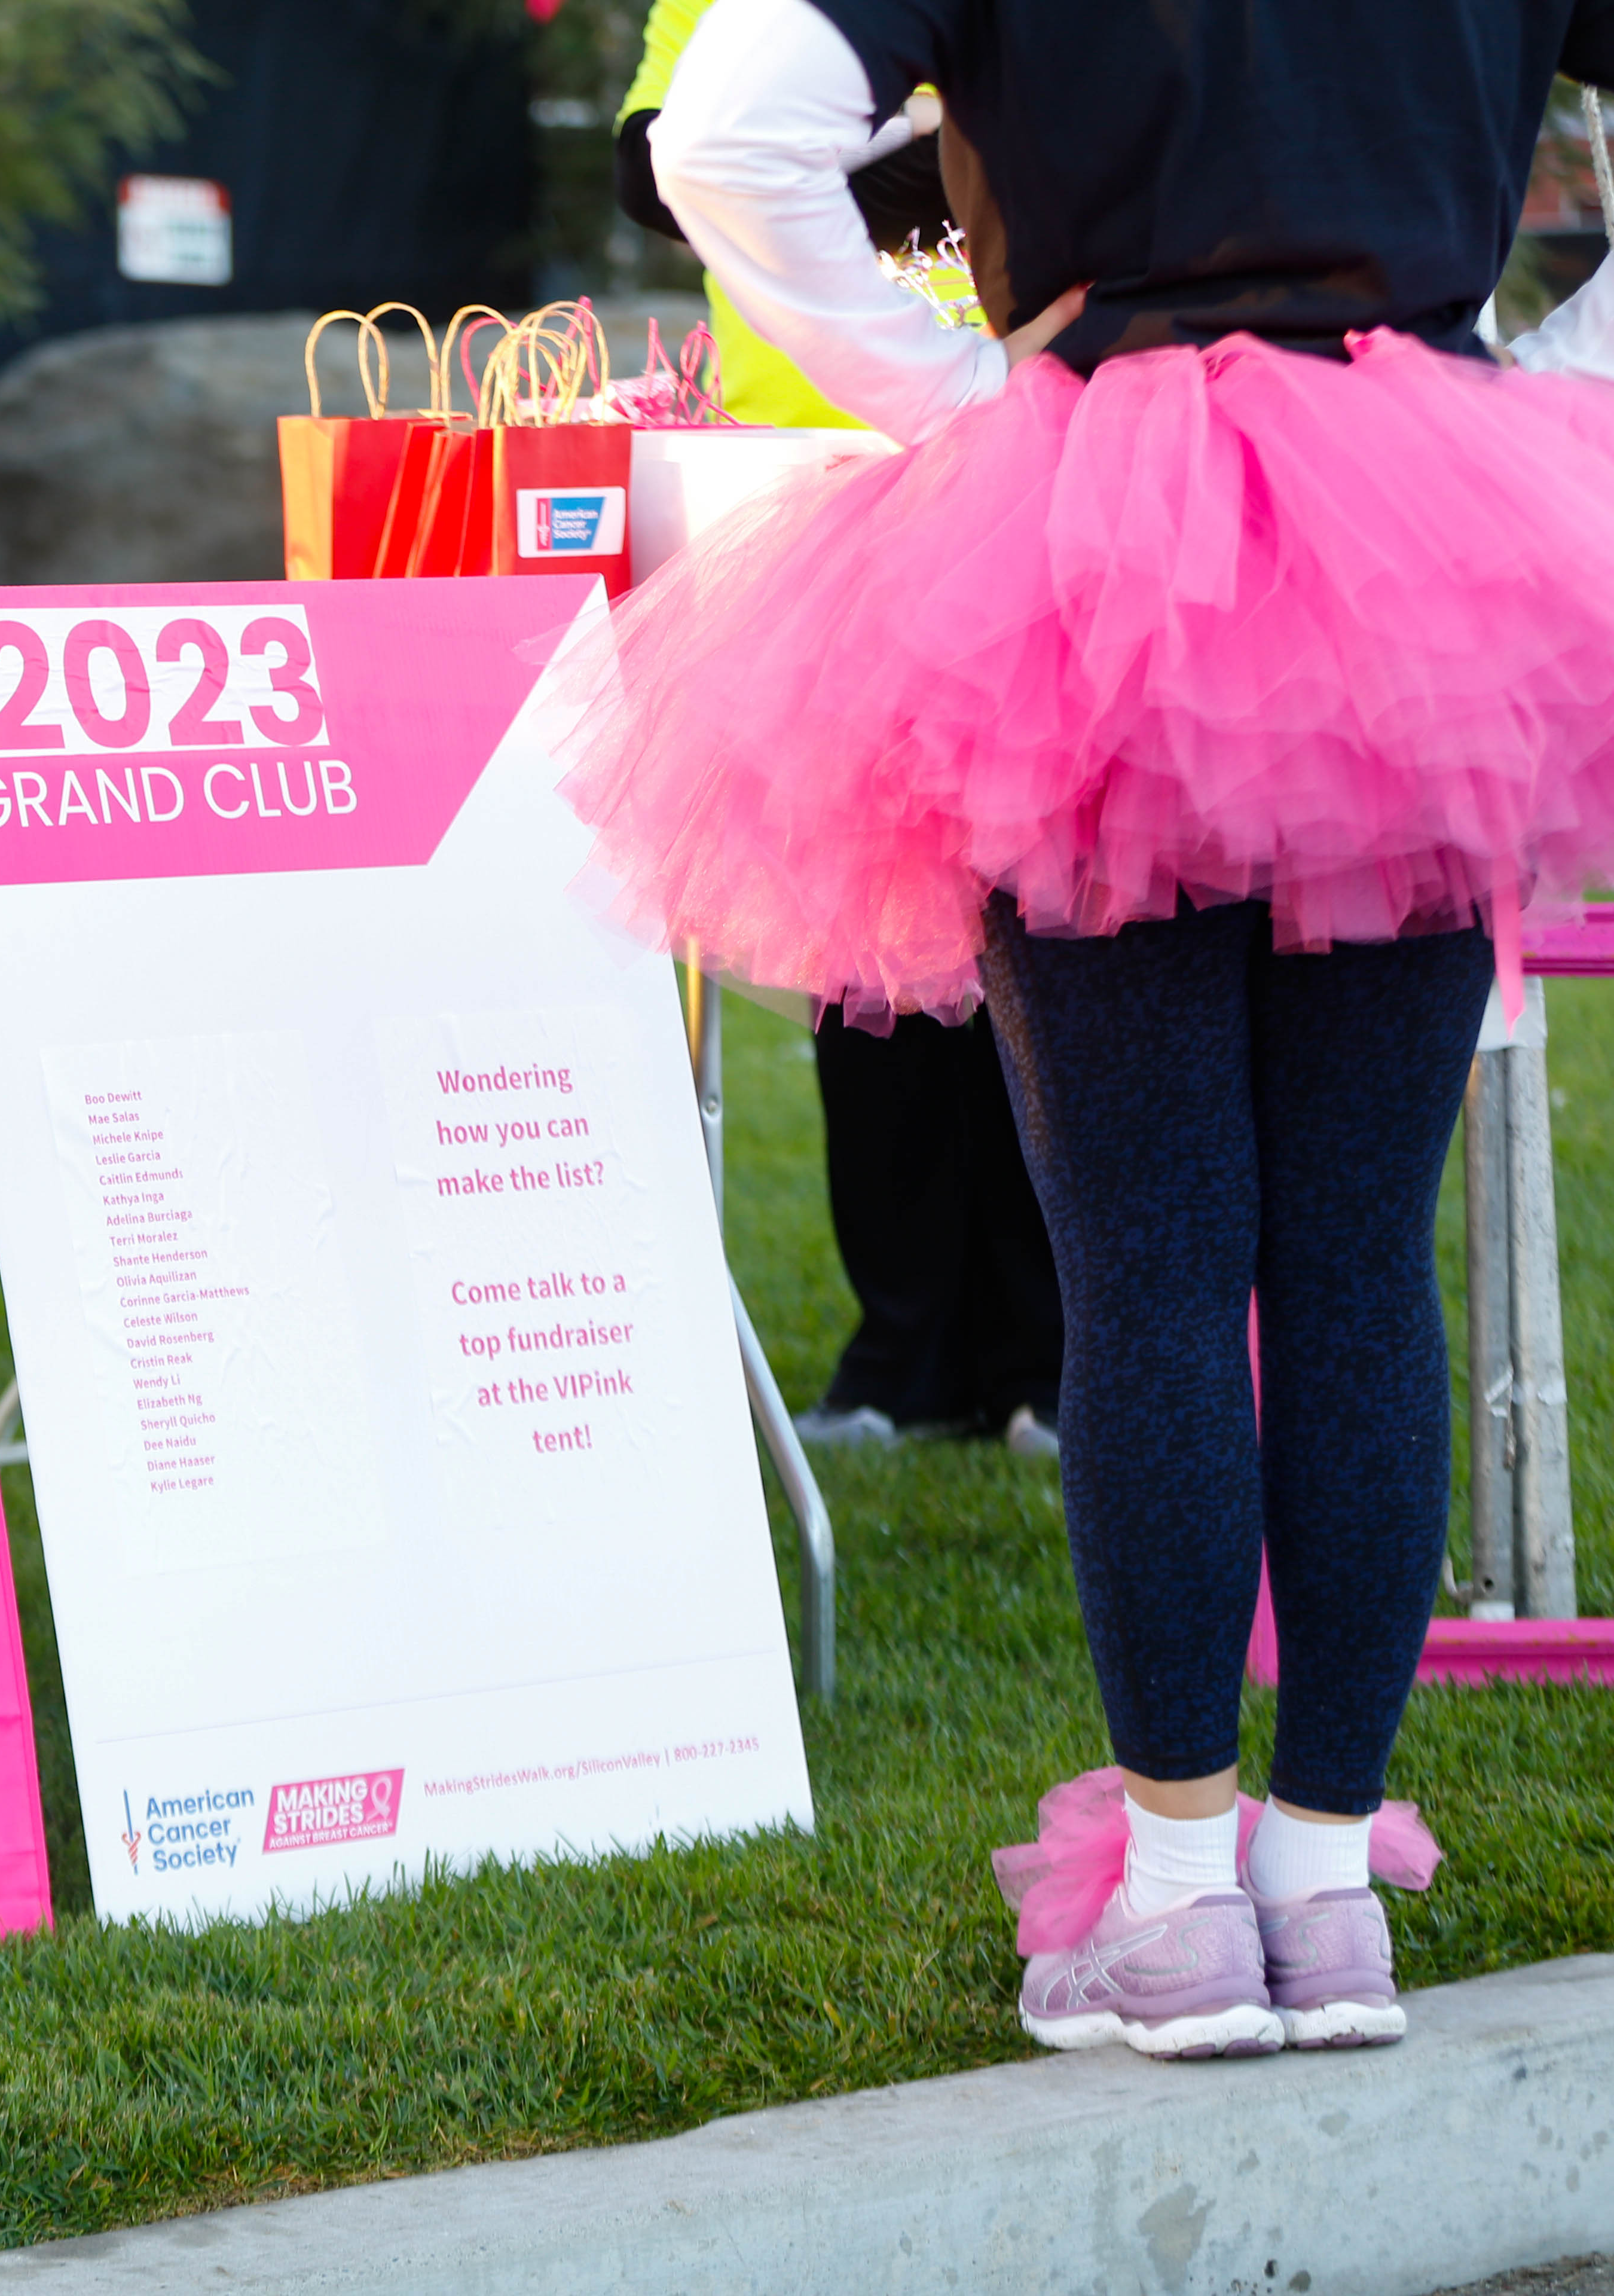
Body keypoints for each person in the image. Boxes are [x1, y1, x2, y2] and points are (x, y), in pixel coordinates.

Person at [562, 0, 1614, 2058]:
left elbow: (726, 131)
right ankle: (1325, 1898)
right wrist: (1553, 382)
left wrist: (958, 394)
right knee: (1356, 1261)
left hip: (1085, 534)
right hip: (1429, 534)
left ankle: (1186, 1906)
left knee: (1149, 1268)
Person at [616, 0, 1065, 1460]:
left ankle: (1050, 1352)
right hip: (816, 494)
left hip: (1023, 469)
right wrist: (923, 140)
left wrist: (852, 150)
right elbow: (656, 163)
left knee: (1037, 919)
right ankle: (903, 1351)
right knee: (861, 938)